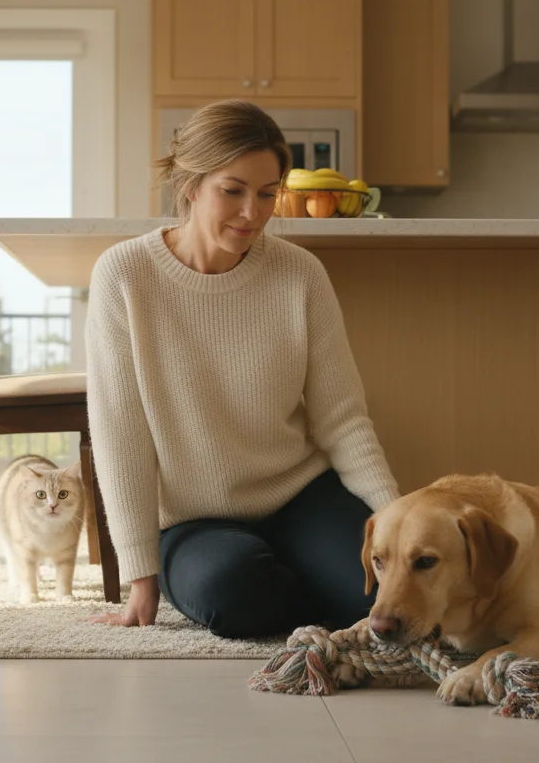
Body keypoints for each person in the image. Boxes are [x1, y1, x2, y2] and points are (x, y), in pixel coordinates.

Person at [84, 99, 400, 639]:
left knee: (377, 593)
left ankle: (321, 582)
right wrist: (141, 577)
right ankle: (306, 586)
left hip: (300, 494)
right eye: (232, 190)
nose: (251, 212)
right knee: (234, 598)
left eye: (266, 193)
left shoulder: (300, 274)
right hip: (193, 518)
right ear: (190, 186)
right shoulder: (124, 275)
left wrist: (397, 517)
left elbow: (342, 420)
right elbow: (121, 435)